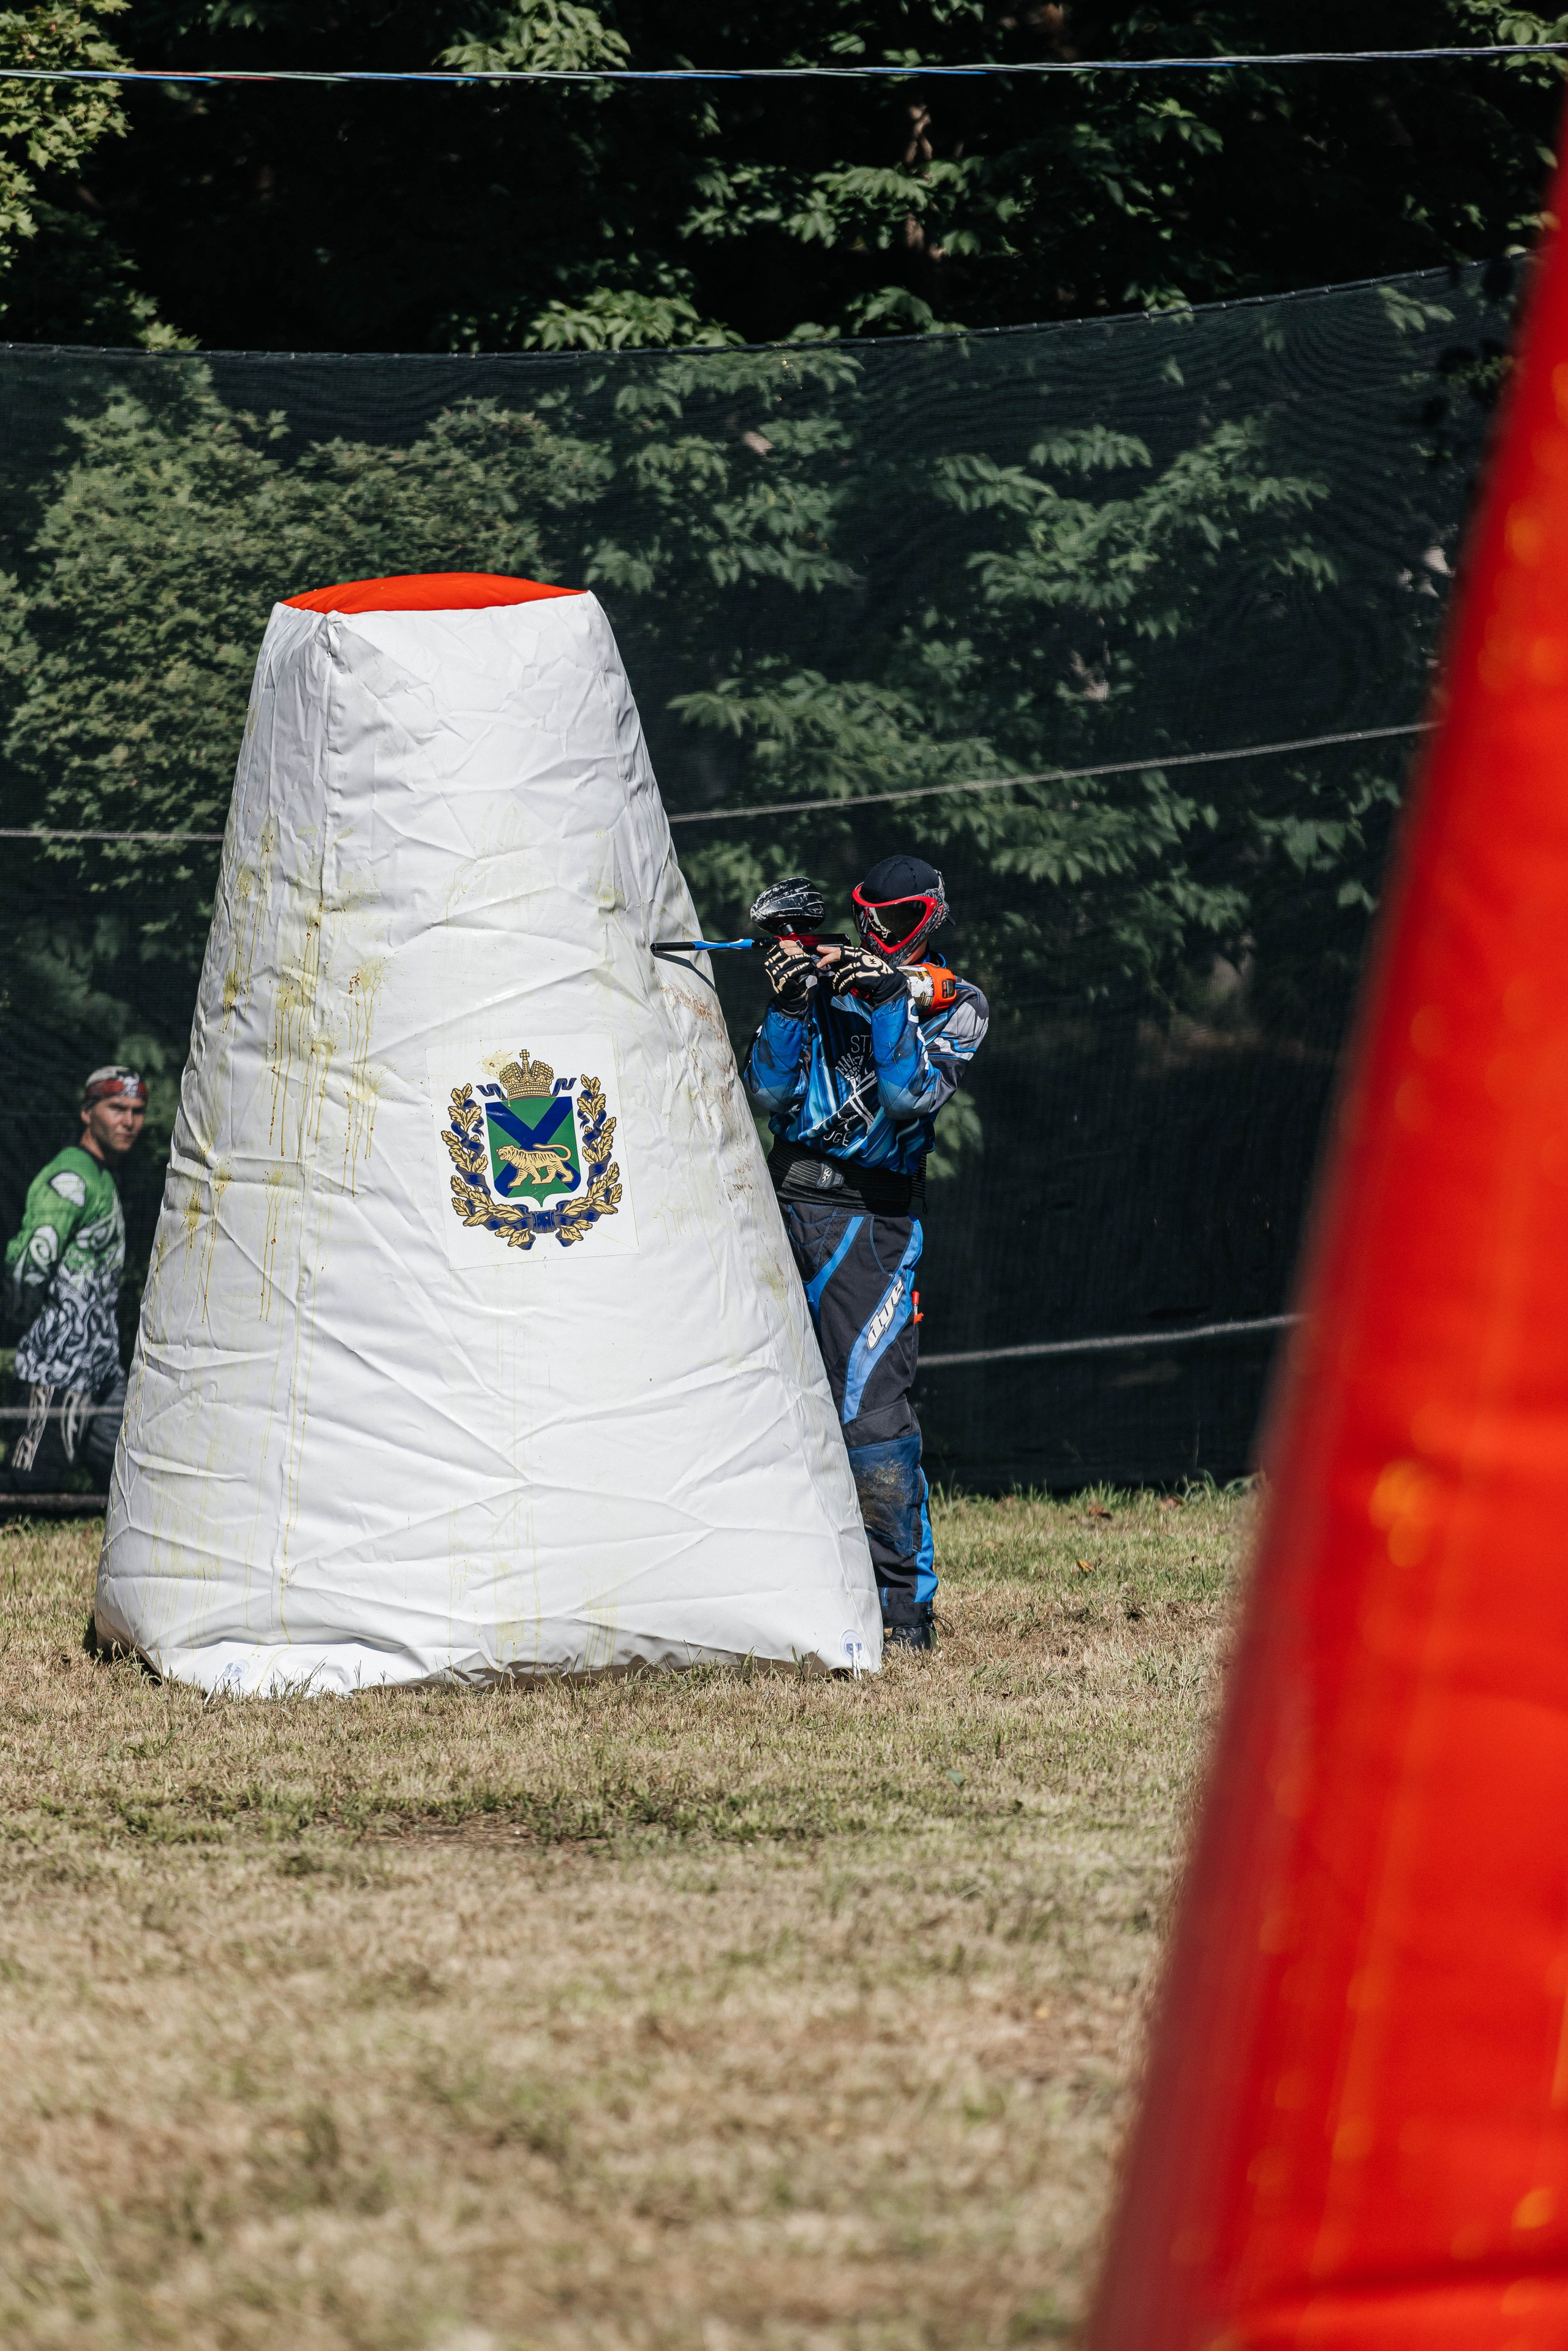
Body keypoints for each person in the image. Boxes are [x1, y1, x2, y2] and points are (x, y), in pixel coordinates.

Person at [743, 855, 988, 1650]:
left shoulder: (959, 1007)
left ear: (924, 920)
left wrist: (883, 996)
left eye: (889, 922)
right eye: (864, 919)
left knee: (872, 1414)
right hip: (780, 1206)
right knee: (757, 1403)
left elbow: (910, 1094)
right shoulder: (826, 983)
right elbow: (772, 1094)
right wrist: (787, 998)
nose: (871, 934)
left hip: (869, 1228)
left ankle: (902, 1611)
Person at [3, 1065, 147, 1492]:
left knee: (126, 1485)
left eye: (137, 1110)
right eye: (116, 1108)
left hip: (102, 1370)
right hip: (58, 1369)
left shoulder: (103, 1175)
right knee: (29, 1484)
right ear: (88, 1113)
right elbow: (28, 1265)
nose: (129, 1121)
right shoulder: (71, 1177)